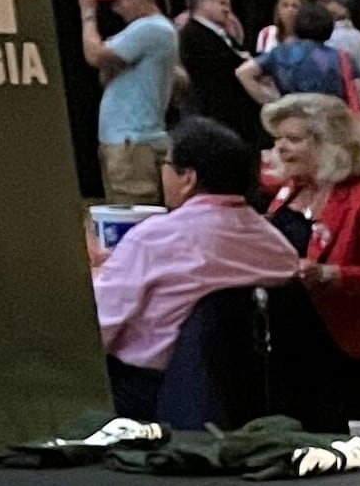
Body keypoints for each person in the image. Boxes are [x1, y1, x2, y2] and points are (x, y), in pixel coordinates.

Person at [86, 115, 301, 414]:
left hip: (150, 393)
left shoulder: (153, 238)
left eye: (166, 163)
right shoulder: (276, 244)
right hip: (256, 394)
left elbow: (96, 326)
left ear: (188, 178)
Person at [260, 92, 360, 414]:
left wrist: (329, 274)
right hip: (288, 342)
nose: (280, 148)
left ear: (330, 144)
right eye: (278, 139)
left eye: (293, 139)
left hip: (343, 348)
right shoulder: (290, 191)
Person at [82, 0, 184, 205]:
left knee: (134, 216)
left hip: (133, 144)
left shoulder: (150, 28)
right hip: (132, 142)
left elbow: (95, 55)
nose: (115, 9)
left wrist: (87, 13)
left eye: (119, 0)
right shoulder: (152, 30)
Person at [171, 0, 254, 131]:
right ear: (203, 1)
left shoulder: (222, 34)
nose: (228, 7)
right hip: (214, 125)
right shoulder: (191, 36)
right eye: (222, 1)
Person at [243, 0, 356, 106]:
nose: (290, 10)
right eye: (285, 5)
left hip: (292, 113)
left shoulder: (280, 54)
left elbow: (243, 72)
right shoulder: (341, 57)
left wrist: (273, 103)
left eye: (294, 6)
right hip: (331, 114)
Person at [319, 0, 360, 109]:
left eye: (326, 2)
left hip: (345, 109)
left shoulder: (335, 40)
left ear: (342, 8)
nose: (319, 6)